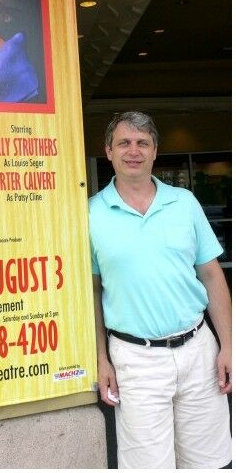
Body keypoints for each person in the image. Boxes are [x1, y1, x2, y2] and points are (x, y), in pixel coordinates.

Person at [89, 111, 231, 469]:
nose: (133, 150)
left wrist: (229, 345)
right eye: (124, 142)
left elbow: (213, 276)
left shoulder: (184, 203)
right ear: (108, 151)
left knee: (207, 462)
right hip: (136, 360)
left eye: (142, 143)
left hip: (199, 351)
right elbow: (91, 293)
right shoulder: (91, 215)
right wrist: (100, 357)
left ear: (155, 152)